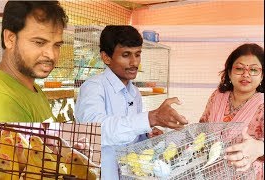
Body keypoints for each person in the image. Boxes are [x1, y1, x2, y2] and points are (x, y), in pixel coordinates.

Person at [75, 25, 188, 180]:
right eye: (126, 55)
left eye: (138, 54)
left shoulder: (134, 92)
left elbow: (131, 135)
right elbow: (95, 131)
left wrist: (147, 135)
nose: (134, 62)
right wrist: (150, 118)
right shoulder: (94, 87)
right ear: (106, 57)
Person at [0, 1, 68, 122]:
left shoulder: (32, 88)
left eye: (57, 45)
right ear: (10, 39)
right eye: (39, 42)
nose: (51, 55)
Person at [199, 43, 264, 179]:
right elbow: (202, 128)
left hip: (247, 174)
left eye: (253, 70)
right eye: (239, 68)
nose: (246, 74)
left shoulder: (262, 105)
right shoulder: (217, 96)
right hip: (210, 172)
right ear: (229, 72)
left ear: (262, 76)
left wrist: (259, 147)